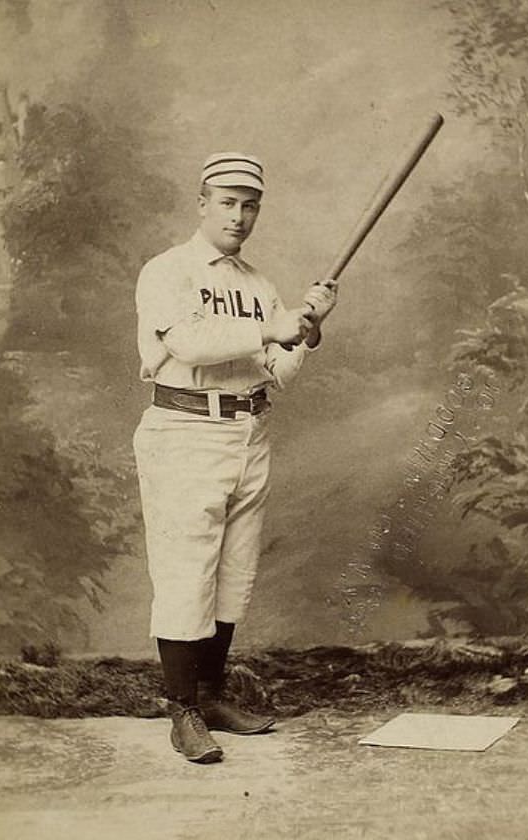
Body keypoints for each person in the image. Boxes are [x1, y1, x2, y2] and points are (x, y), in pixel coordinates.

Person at [133, 152, 337, 763]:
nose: (240, 216)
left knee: (234, 574)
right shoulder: (166, 270)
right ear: (202, 203)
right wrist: (273, 329)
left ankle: (213, 696)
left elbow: (278, 371)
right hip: (185, 431)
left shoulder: (258, 285)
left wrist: (308, 329)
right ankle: (183, 713)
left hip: (249, 430)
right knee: (185, 570)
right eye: (227, 202)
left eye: (250, 205)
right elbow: (191, 344)